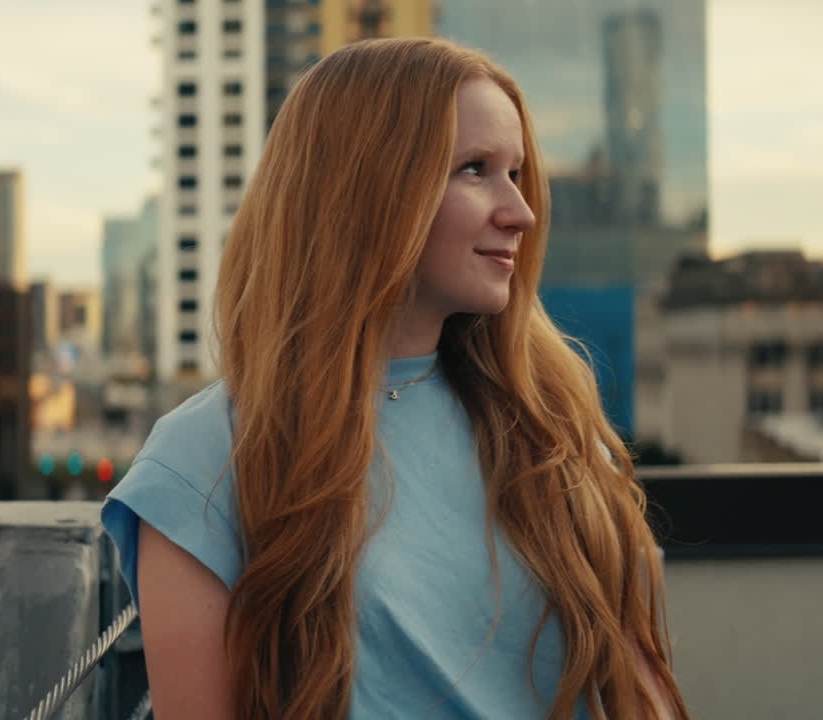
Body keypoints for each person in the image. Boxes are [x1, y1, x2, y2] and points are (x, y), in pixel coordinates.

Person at [102, 37, 688, 720]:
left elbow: (642, 691)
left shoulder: (548, 423)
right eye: (475, 169)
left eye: (517, 173)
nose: (520, 212)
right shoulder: (203, 460)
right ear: (367, 191)